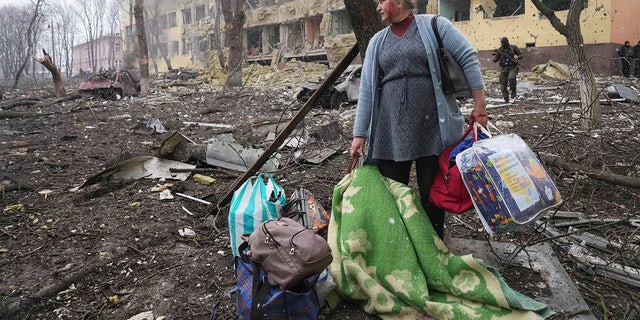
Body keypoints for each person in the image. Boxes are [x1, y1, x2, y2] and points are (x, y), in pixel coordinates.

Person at [349, 0, 488, 239]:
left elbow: (467, 57)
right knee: (393, 194)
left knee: (431, 194)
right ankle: (400, 249)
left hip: (432, 127)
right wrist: (359, 134)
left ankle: (433, 247)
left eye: (381, 1)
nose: (377, 6)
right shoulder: (377, 42)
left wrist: (480, 104)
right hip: (390, 129)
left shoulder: (435, 25)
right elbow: (368, 91)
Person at [492, 37, 522, 103]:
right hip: (504, 68)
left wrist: (517, 57)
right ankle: (506, 98)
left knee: (511, 78)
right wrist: (495, 55)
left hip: (513, 67)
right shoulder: (500, 50)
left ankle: (513, 91)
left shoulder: (513, 48)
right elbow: (495, 60)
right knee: (503, 84)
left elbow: (521, 55)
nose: (504, 44)